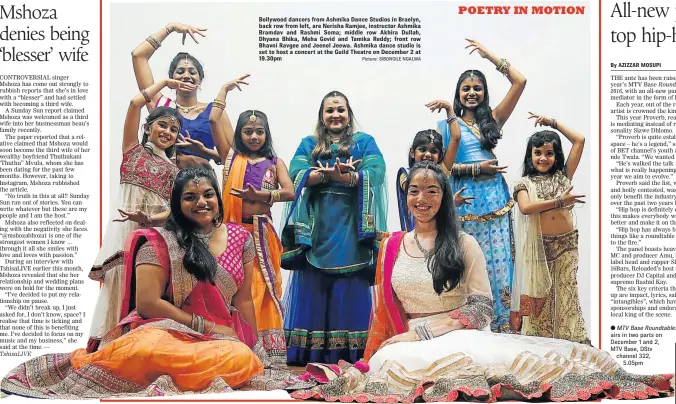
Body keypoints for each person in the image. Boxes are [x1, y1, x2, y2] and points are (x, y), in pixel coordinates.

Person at [291, 163, 673, 402]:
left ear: (445, 196)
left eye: (432, 190)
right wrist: (405, 335)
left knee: (543, 366)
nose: (422, 199)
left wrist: (422, 332)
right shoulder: (392, 244)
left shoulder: (463, 243)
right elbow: (386, 313)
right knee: (389, 363)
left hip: (458, 333)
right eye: (414, 191)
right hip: (404, 341)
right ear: (405, 196)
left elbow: (481, 308)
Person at [2, 166, 270, 398]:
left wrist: (254, 345)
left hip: (221, 338)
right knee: (144, 349)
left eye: (208, 194)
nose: (201, 202)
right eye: (190, 197)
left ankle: (177, 374)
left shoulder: (240, 238)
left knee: (241, 358)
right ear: (177, 204)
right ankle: (182, 375)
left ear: (218, 198)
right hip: (168, 331)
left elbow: (244, 299)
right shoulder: (158, 242)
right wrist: (205, 325)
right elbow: (148, 304)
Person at [281, 91, 387, 365]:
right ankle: (312, 354)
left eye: (340, 109)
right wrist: (319, 176)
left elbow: (377, 171)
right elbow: (295, 170)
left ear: (349, 114)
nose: (335, 114)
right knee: (314, 284)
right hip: (317, 227)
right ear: (322, 116)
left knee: (348, 286)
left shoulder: (364, 143)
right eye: (329, 110)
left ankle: (349, 354)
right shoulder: (310, 143)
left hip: (351, 226)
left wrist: (350, 178)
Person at [435, 39, 527, 332]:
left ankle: (503, 329)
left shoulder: (493, 121)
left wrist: (489, 56)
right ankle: (470, 328)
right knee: (470, 264)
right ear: (458, 95)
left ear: (484, 92)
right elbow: (442, 168)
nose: (472, 93)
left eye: (477, 88)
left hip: (496, 201)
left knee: (501, 265)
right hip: (465, 201)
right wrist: (477, 167)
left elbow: (520, 81)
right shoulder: (447, 126)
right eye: (466, 88)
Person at [87, 79, 185, 350]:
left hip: (153, 235)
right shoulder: (132, 151)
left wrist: (152, 219)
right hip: (124, 231)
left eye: (173, 129)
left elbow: (173, 211)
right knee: (119, 282)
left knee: (144, 289)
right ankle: (108, 348)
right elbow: (134, 103)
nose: (167, 131)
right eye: (162, 124)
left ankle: (135, 349)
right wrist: (164, 83)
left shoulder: (174, 172)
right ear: (147, 127)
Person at [210, 87, 296, 365]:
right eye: (248, 131)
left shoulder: (275, 162)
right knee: (236, 287)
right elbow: (213, 121)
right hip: (233, 233)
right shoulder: (232, 158)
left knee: (264, 289)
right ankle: (237, 345)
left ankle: (268, 352)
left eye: (259, 131)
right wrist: (223, 90)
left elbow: (290, 191)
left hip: (262, 233)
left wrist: (263, 196)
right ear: (239, 134)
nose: (254, 136)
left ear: (266, 134)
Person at [511, 113, 589, 344]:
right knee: (540, 299)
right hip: (539, 249)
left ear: (556, 156)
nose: (543, 158)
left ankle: (570, 342)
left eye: (549, 153)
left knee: (566, 296)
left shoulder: (562, 176)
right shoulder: (524, 183)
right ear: (530, 155)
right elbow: (526, 208)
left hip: (566, 245)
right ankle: (540, 345)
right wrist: (559, 202)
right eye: (538, 153)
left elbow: (579, 141)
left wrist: (553, 123)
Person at [131, 22, 231, 168]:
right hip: (163, 184)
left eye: (192, 72)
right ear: (171, 78)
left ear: (200, 79)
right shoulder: (161, 106)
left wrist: (205, 152)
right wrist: (170, 28)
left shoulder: (215, 112)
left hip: (202, 186)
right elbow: (138, 55)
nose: (186, 76)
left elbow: (236, 158)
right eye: (180, 72)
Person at [396, 127, 472, 231]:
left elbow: (456, 138)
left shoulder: (441, 173)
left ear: (440, 155)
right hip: (417, 231)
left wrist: (449, 110)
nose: (428, 154)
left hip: (442, 231)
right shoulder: (405, 175)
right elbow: (419, 200)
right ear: (412, 153)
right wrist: (452, 201)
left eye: (433, 151)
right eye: (422, 150)